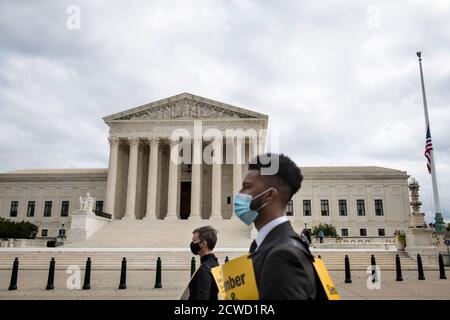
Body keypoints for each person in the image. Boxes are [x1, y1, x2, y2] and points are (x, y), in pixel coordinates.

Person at [234, 153, 319, 299]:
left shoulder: (283, 255)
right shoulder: (265, 244)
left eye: (246, 187)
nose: (239, 193)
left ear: (269, 195)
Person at [188, 226, 219, 300]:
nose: (192, 243)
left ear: (204, 244)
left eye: (194, 241)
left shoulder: (205, 269)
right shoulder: (214, 263)